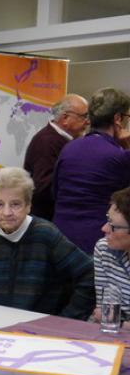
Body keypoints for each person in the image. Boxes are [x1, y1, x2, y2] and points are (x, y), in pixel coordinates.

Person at [0, 166, 95, 319]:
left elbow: (88, 274)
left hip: (37, 327)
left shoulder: (46, 235)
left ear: (28, 206)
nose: (7, 213)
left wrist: (66, 320)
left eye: (15, 204)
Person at [53, 87, 130, 254]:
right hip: (97, 243)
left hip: (59, 239)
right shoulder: (120, 157)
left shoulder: (68, 148)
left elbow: (56, 191)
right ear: (118, 119)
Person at [23, 93, 88, 220]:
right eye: (83, 116)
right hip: (46, 220)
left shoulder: (61, 140)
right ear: (65, 118)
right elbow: (42, 187)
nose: (88, 121)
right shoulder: (46, 142)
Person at [93, 187, 130, 328]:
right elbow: (103, 314)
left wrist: (121, 323)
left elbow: (111, 318)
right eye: (107, 220)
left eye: (113, 226)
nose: (104, 228)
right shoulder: (104, 249)